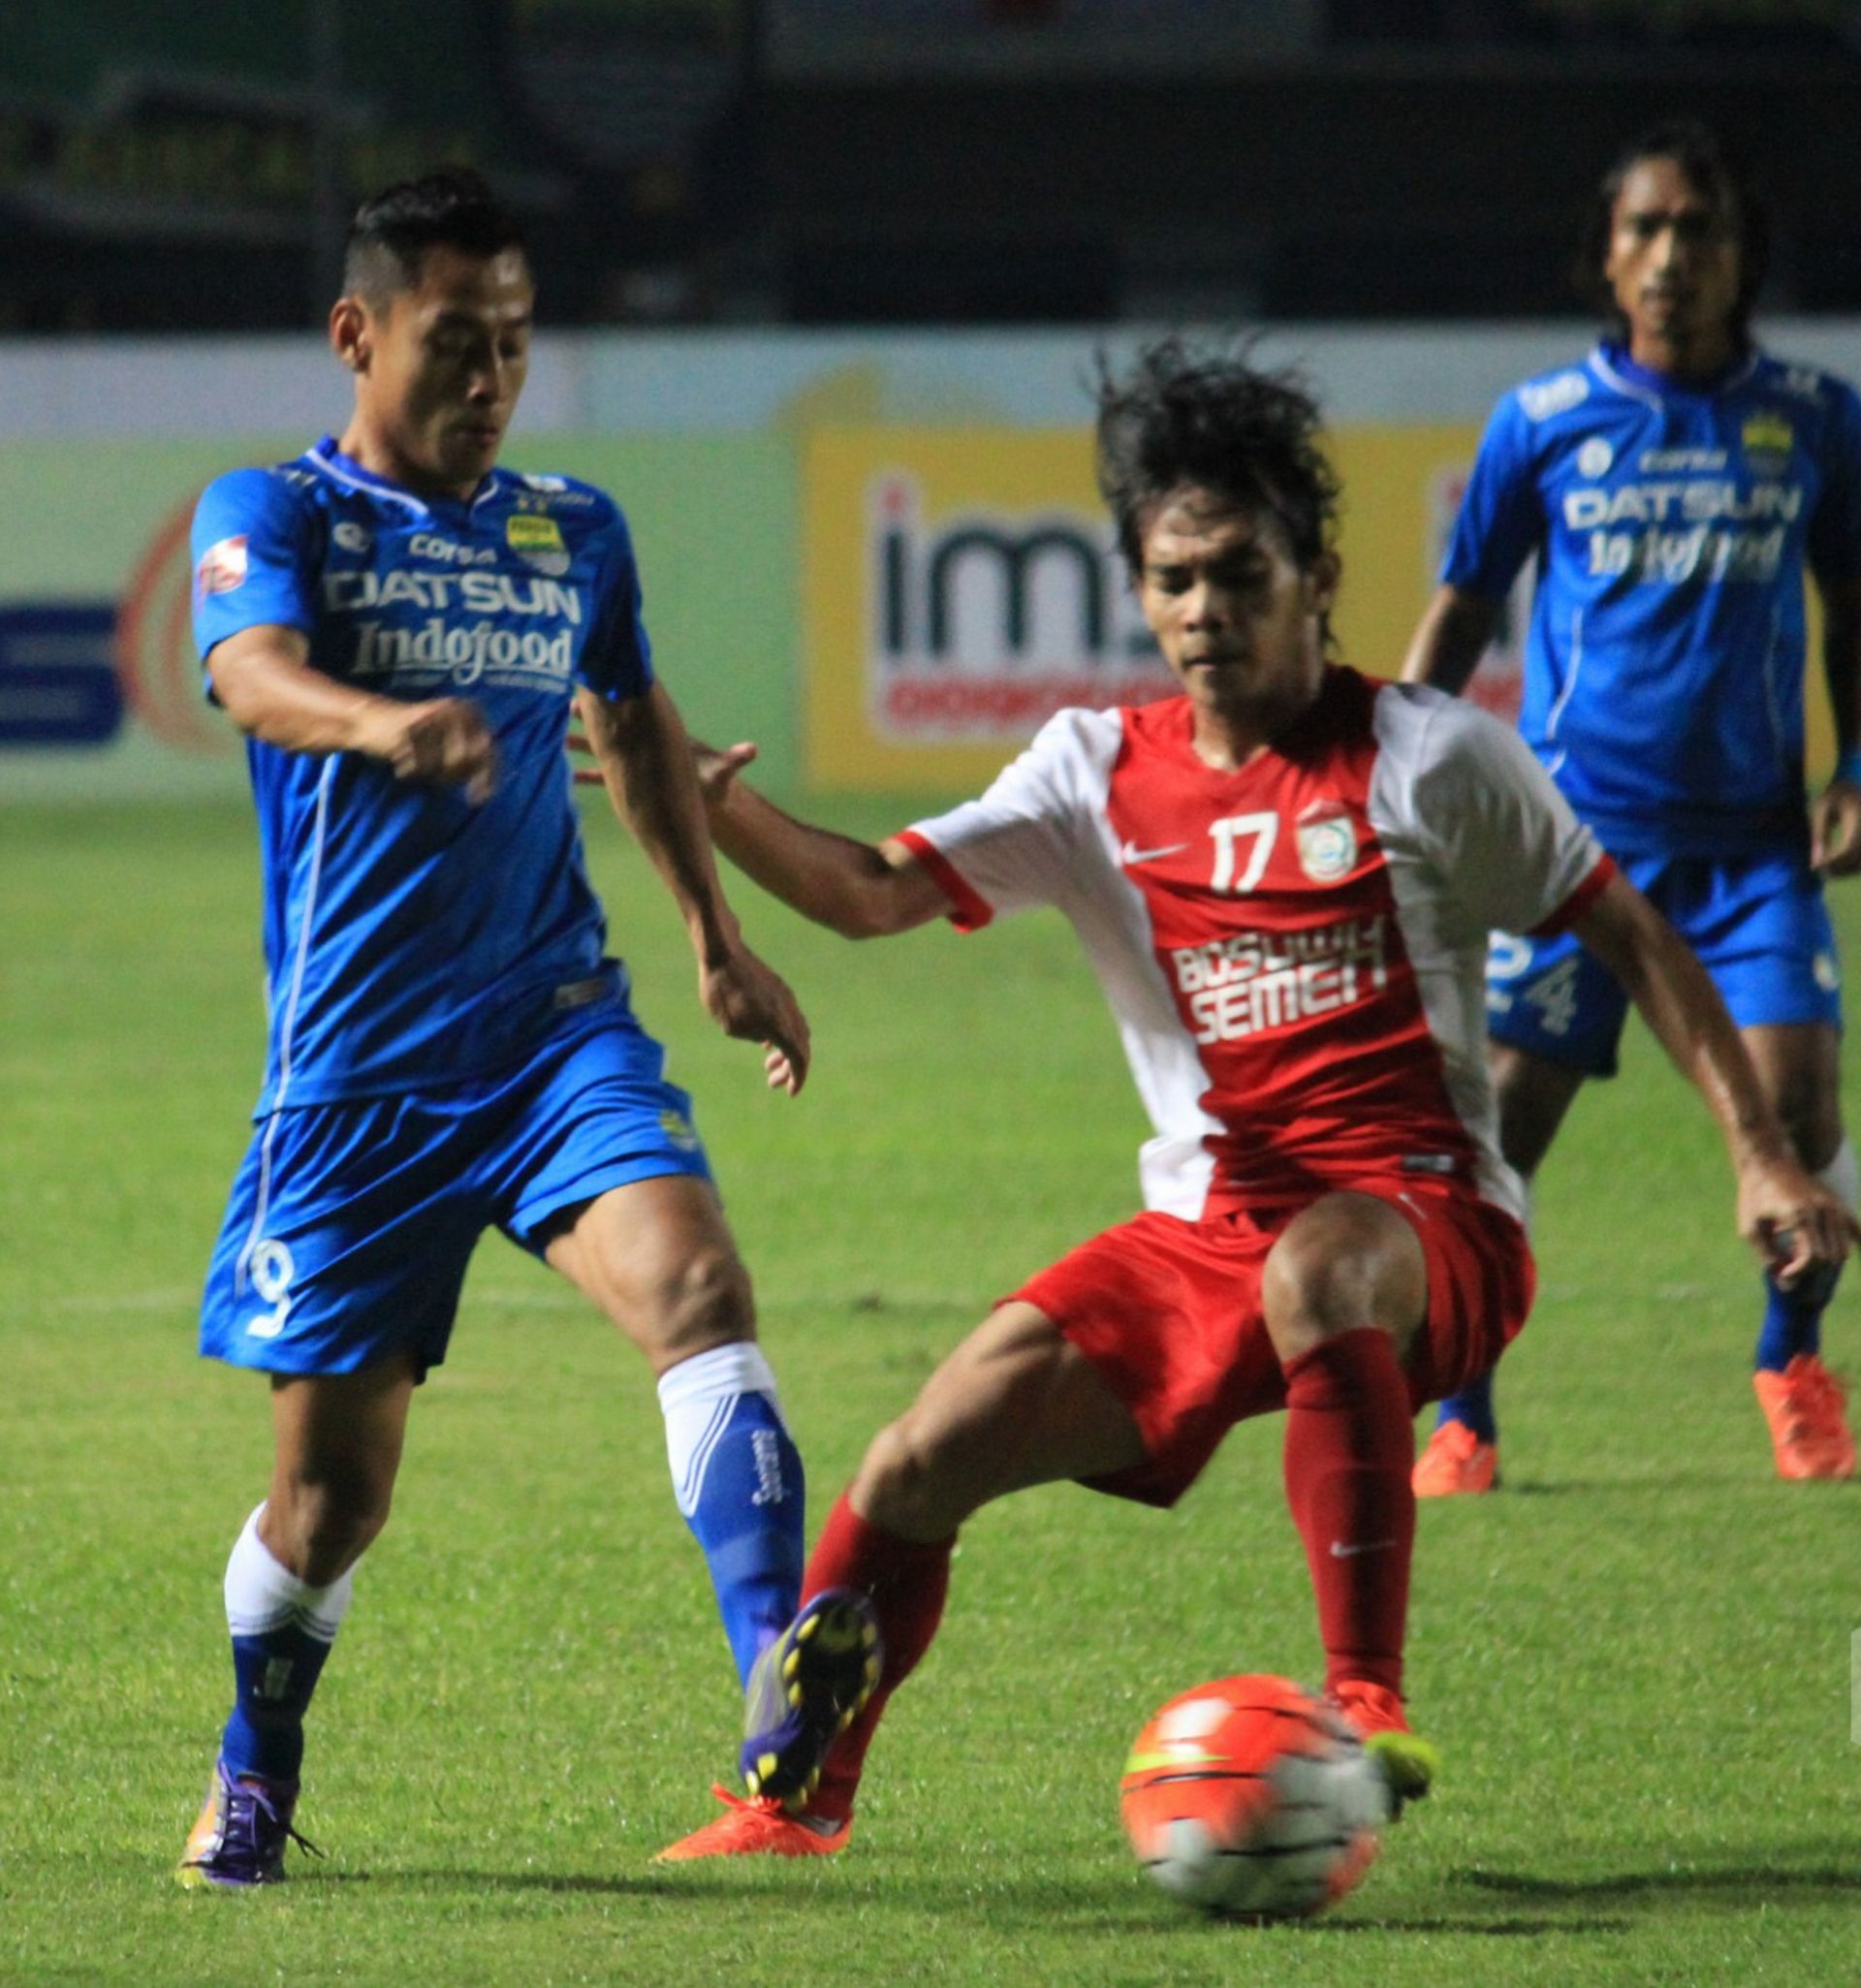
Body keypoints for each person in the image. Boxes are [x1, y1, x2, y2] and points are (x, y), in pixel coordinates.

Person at [649, 340, 1855, 1861]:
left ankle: (1366, 1701)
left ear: (1317, 572)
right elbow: (870, 893)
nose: (1204, 610)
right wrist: (719, 803)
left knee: (1320, 1264)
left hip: (1430, 1230)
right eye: (1172, 580)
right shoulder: (1093, 774)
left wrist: (1757, 1155)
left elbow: (1627, 927)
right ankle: (788, 1801)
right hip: (1198, 1235)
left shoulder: (1432, 758)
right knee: (910, 1462)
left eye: (1238, 572)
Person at [175, 168, 874, 1889]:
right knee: (331, 1508)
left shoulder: (574, 532)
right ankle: (254, 1766)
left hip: (556, 1034)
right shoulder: (278, 511)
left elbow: (635, 730)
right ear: (357, 334)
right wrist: (374, 722)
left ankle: (780, 1693)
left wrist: (717, 941)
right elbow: (246, 673)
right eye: (453, 343)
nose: (490, 379)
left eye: (514, 344)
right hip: (354, 1080)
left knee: (700, 1289)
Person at [1404, 120, 1861, 1496]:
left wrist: (1858, 768)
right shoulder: (1541, 423)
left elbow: (1855, 605)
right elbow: (1466, 604)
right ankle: (1465, 1411)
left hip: (1752, 850)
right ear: (1609, 258)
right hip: (1571, 848)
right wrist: (1387, 767)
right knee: (1504, 1126)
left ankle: (1790, 1357)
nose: (1672, 258)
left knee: (1797, 1112)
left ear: (1741, 257)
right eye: (1647, 231)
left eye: (1700, 231)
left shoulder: (1818, 418)